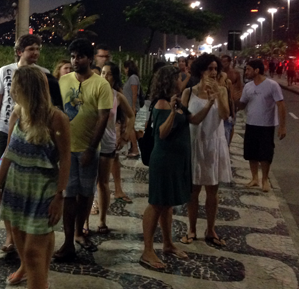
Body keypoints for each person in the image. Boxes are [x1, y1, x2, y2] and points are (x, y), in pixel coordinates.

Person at [0, 66, 70, 289]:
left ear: (29, 89)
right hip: (16, 186)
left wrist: (60, 195)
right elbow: (9, 153)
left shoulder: (56, 118)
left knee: (35, 251)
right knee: (21, 241)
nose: (12, 91)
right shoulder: (18, 112)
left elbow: (67, 157)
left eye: (16, 86)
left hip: (42, 189)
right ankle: (35, 276)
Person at [140, 65, 215, 269]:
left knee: (168, 204)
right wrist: (173, 112)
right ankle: (147, 251)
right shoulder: (163, 103)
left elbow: (194, 120)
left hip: (176, 161)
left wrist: (209, 104)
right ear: (169, 80)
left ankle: (167, 243)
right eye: (178, 78)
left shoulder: (178, 103)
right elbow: (162, 133)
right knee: (157, 203)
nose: (182, 81)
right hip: (164, 161)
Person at [0, 34, 50, 253]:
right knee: (8, 181)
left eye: (38, 49)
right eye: (31, 49)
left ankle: (28, 229)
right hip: (5, 130)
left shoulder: (44, 74)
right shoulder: (5, 71)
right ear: (20, 51)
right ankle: (10, 235)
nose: (35, 53)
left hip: (33, 132)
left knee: (28, 181)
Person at [55, 38, 112, 259]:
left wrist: (91, 148)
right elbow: (57, 110)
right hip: (67, 149)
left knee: (86, 194)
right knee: (69, 195)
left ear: (89, 58)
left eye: (79, 56)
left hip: (88, 149)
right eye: (72, 56)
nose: (75, 60)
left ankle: (80, 232)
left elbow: (103, 117)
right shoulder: (64, 81)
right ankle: (68, 241)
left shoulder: (101, 84)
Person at [179, 55, 231, 248]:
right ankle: (191, 228)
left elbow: (225, 115)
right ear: (201, 70)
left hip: (214, 144)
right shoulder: (189, 92)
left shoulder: (222, 90)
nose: (213, 72)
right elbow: (185, 119)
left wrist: (217, 95)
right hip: (194, 143)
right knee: (193, 190)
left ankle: (211, 229)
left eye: (216, 68)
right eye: (209, 68)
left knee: (212, 190)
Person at [91, 62, 135, 233]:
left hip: (107, 142)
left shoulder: (116, 95)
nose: (104, 76)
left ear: (114, 77)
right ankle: (85, 221)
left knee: (103, 182)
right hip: (89, 141)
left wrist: (125, 136)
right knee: (89, 182)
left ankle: (102, 221)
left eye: (109, 74)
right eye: (102, 73)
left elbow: (131, 115)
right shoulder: (92, 92)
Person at [236, 59, 286, 192]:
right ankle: (254, 178)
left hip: (266, 125)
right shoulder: (248, 87)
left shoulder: (272, 85)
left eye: (248, 69)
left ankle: (265, 179)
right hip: (251, 124)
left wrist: (282, 126)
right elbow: (242, 104)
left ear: (257, 70)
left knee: (265, 154)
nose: (246, 72)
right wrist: (233, 100)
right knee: (251, 153)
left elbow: (280, 105)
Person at [221, 54, 243, 145]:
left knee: (231, 124)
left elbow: (239, 88)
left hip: (231, 101)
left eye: (225, 62)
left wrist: (236, 99)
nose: (223, 64)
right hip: (222, 100)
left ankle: (228, 144)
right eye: (222, 61)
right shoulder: (219, 73)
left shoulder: (235, 73)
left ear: (229, 62)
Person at [122, 60, 141, 159]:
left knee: (131, 127)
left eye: (125, 68)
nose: (124, 70)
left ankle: (135, 149)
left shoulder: (133, 78)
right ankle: (132, 147)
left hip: (130, 107)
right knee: (129, 127)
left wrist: (133, 107)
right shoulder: (131, 78)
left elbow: (134, 94)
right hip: (128, 106)